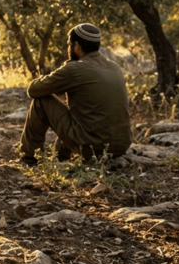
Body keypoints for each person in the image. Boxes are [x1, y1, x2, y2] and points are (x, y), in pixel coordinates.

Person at [19, 23, 131, 166]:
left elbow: (34, 90)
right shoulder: (114, 67)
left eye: (69, 44)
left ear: (77, 46)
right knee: (78, 114)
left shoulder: (75, 68)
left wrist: (65, 69)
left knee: (41, 102)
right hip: (120, 147)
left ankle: (29, 158)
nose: (68, 48)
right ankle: (60, 157)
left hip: (92, 148)